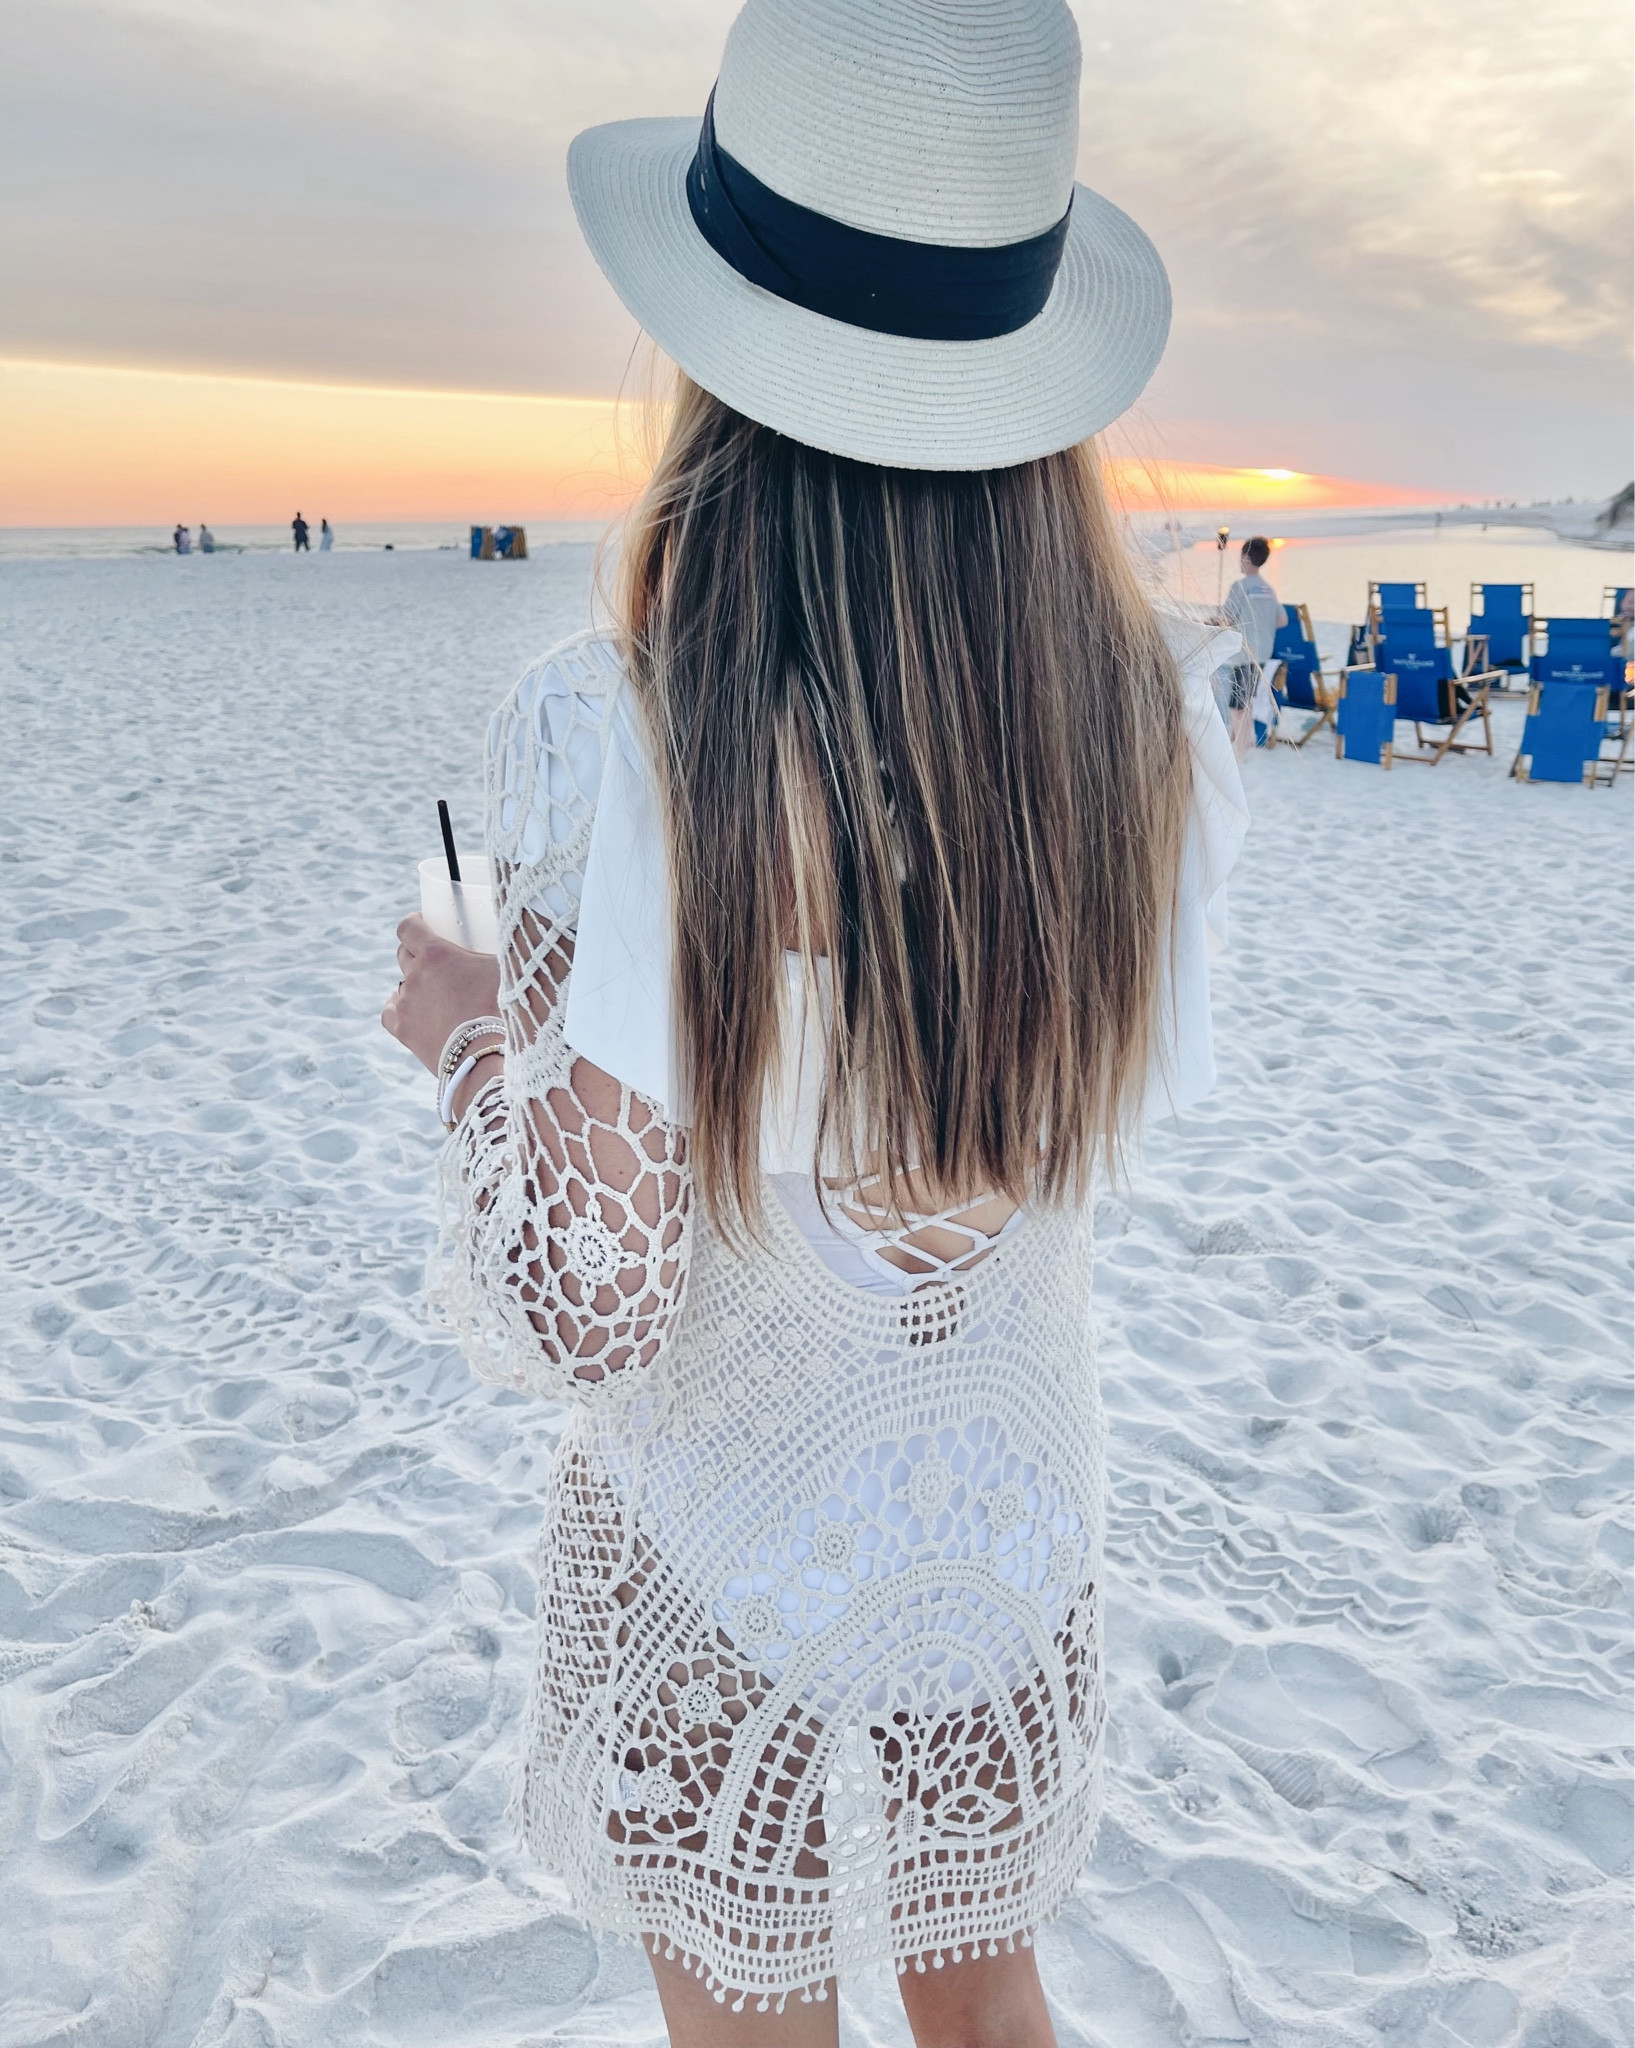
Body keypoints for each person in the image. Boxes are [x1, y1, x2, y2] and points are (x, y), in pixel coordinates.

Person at [381, 3, 1246, 2042]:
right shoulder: (1143, 729)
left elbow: (582, 1299)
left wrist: (466, 1043)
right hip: (1003, 1510)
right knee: (980, 1974)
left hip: (734, 1523)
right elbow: (1032, 1122)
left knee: (749, 1996)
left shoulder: (634, 733)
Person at [1216, 537, 1287, 752]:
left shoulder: (1241, 587)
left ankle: (1243, 744)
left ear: (1246, 557)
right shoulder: (1268, 589)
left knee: (1238, 704)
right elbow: (1282, 620)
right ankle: (1242, 742)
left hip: (1243, 653)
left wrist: (1211, 621)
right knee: (1245, 698)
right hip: (1263, 652)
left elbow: (1225, 619)